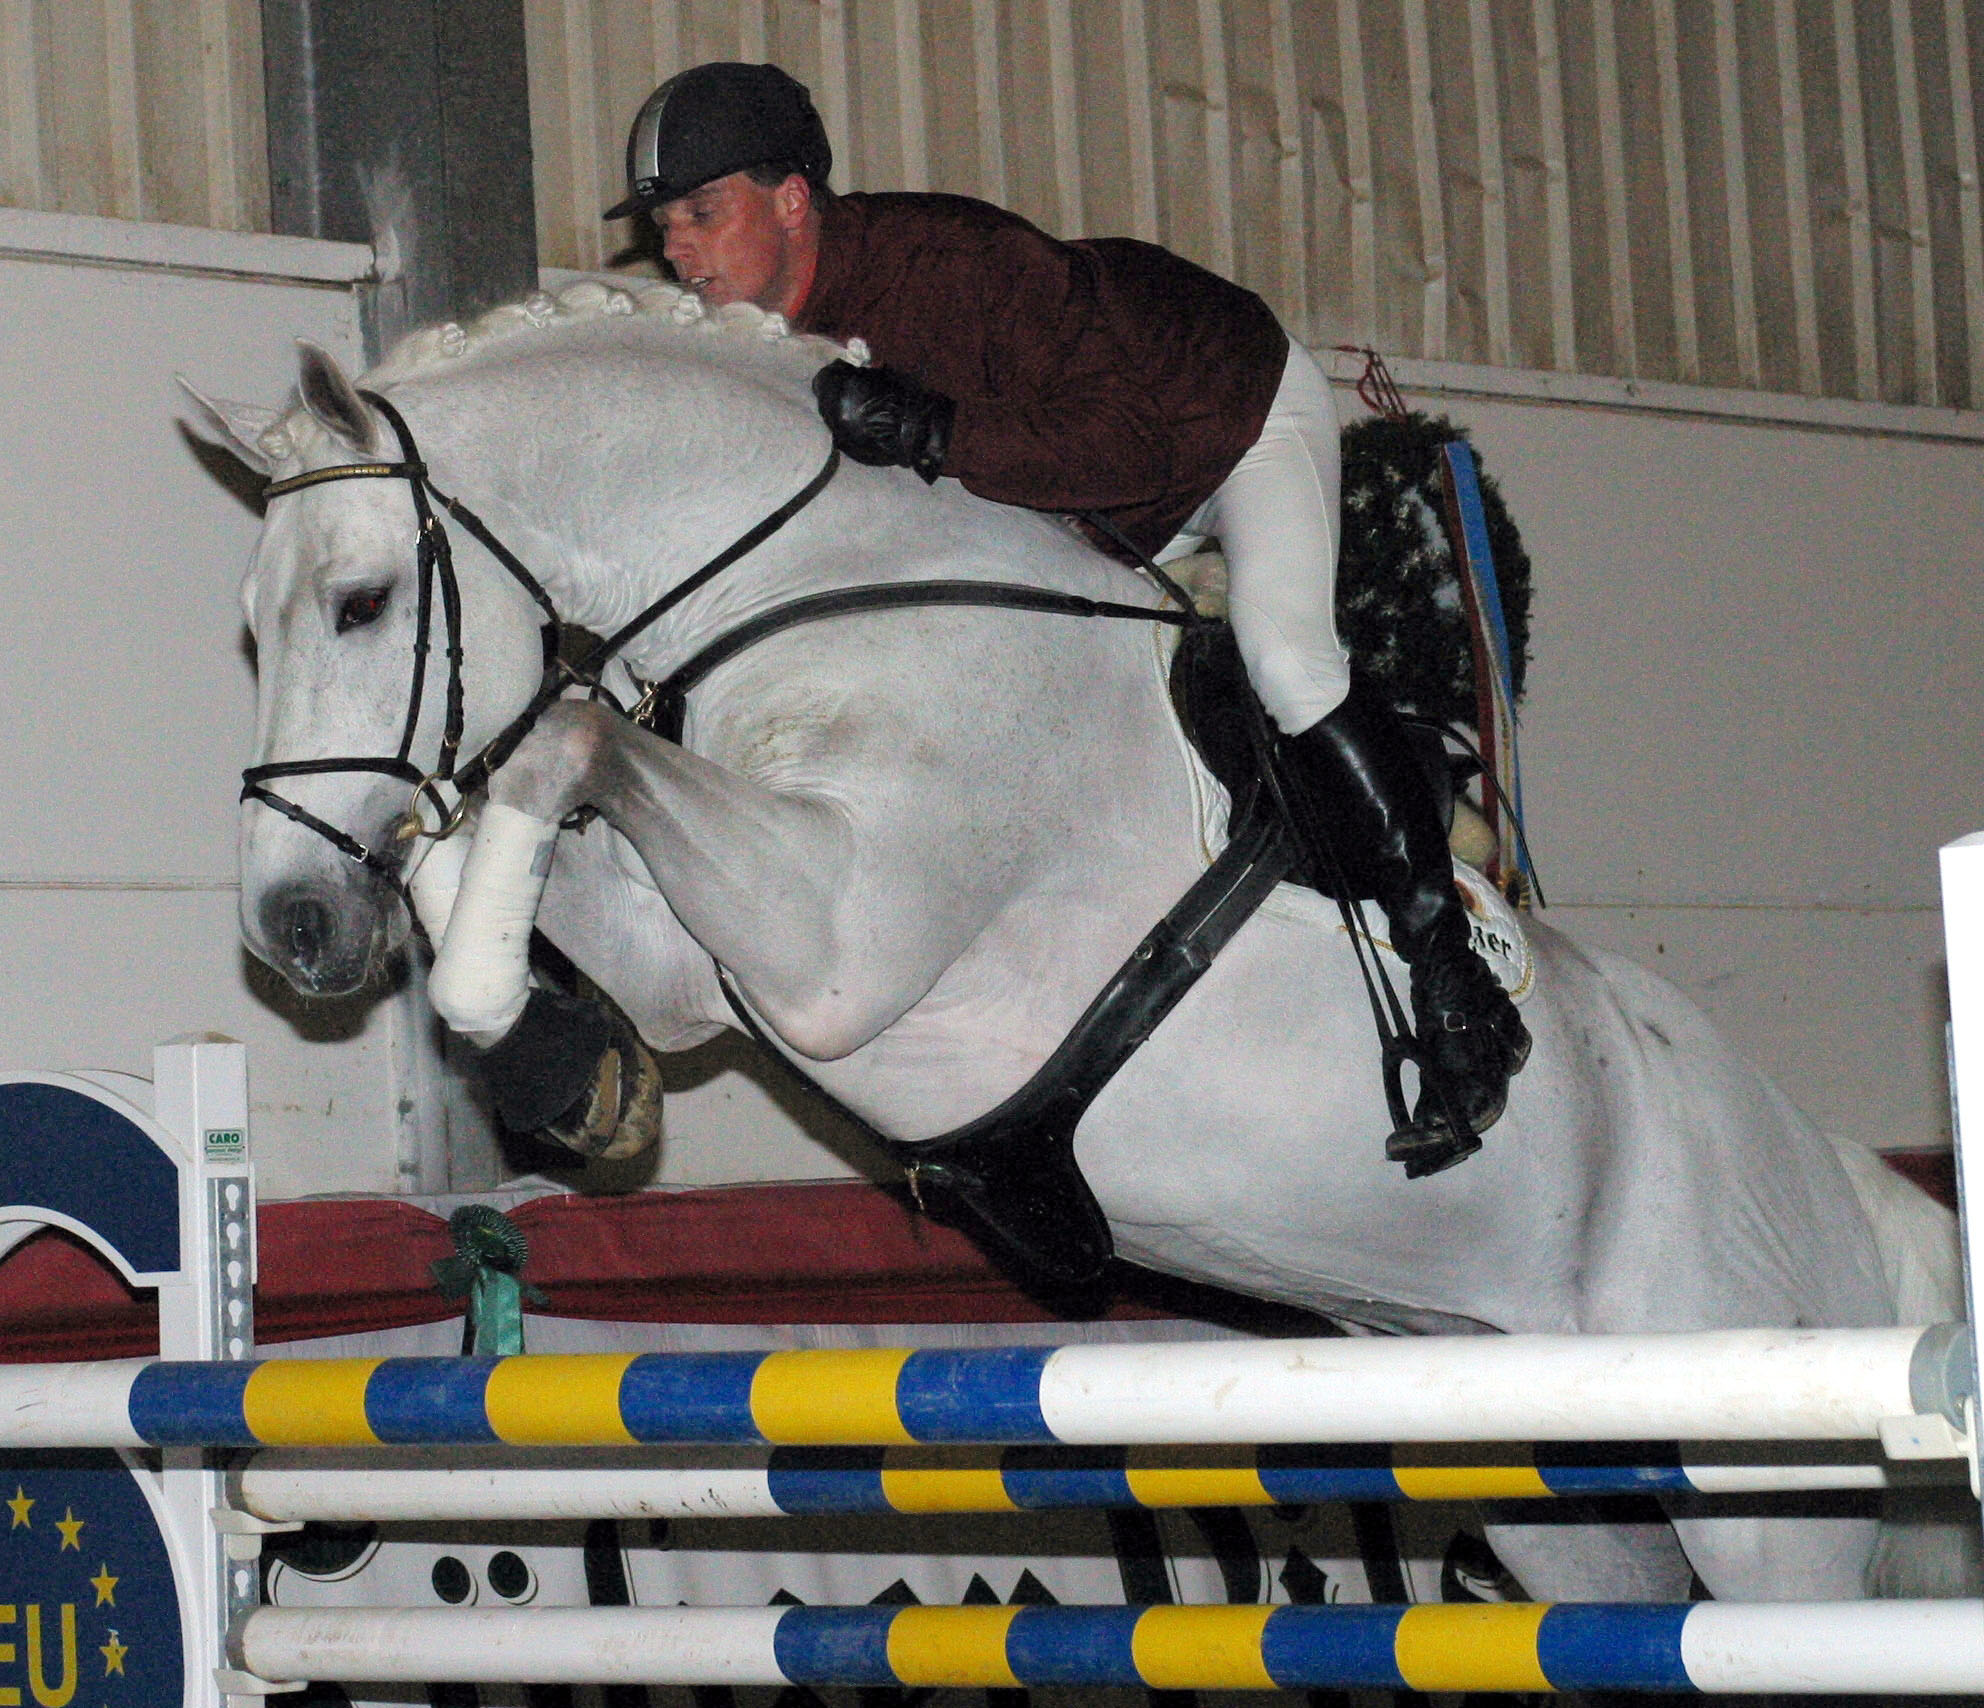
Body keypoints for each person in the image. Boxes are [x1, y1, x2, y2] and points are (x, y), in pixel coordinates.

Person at [604, 62, 1529, 1154]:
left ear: (793, 200)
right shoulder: (754, 346)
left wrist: (937, 432)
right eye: (667, 224)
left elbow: (1125, 446)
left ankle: (1454, 983)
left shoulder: (951, 268)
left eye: (704, 214)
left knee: (1284, 658)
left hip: (1223, 423)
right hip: (1088, 511)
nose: (680, 249)